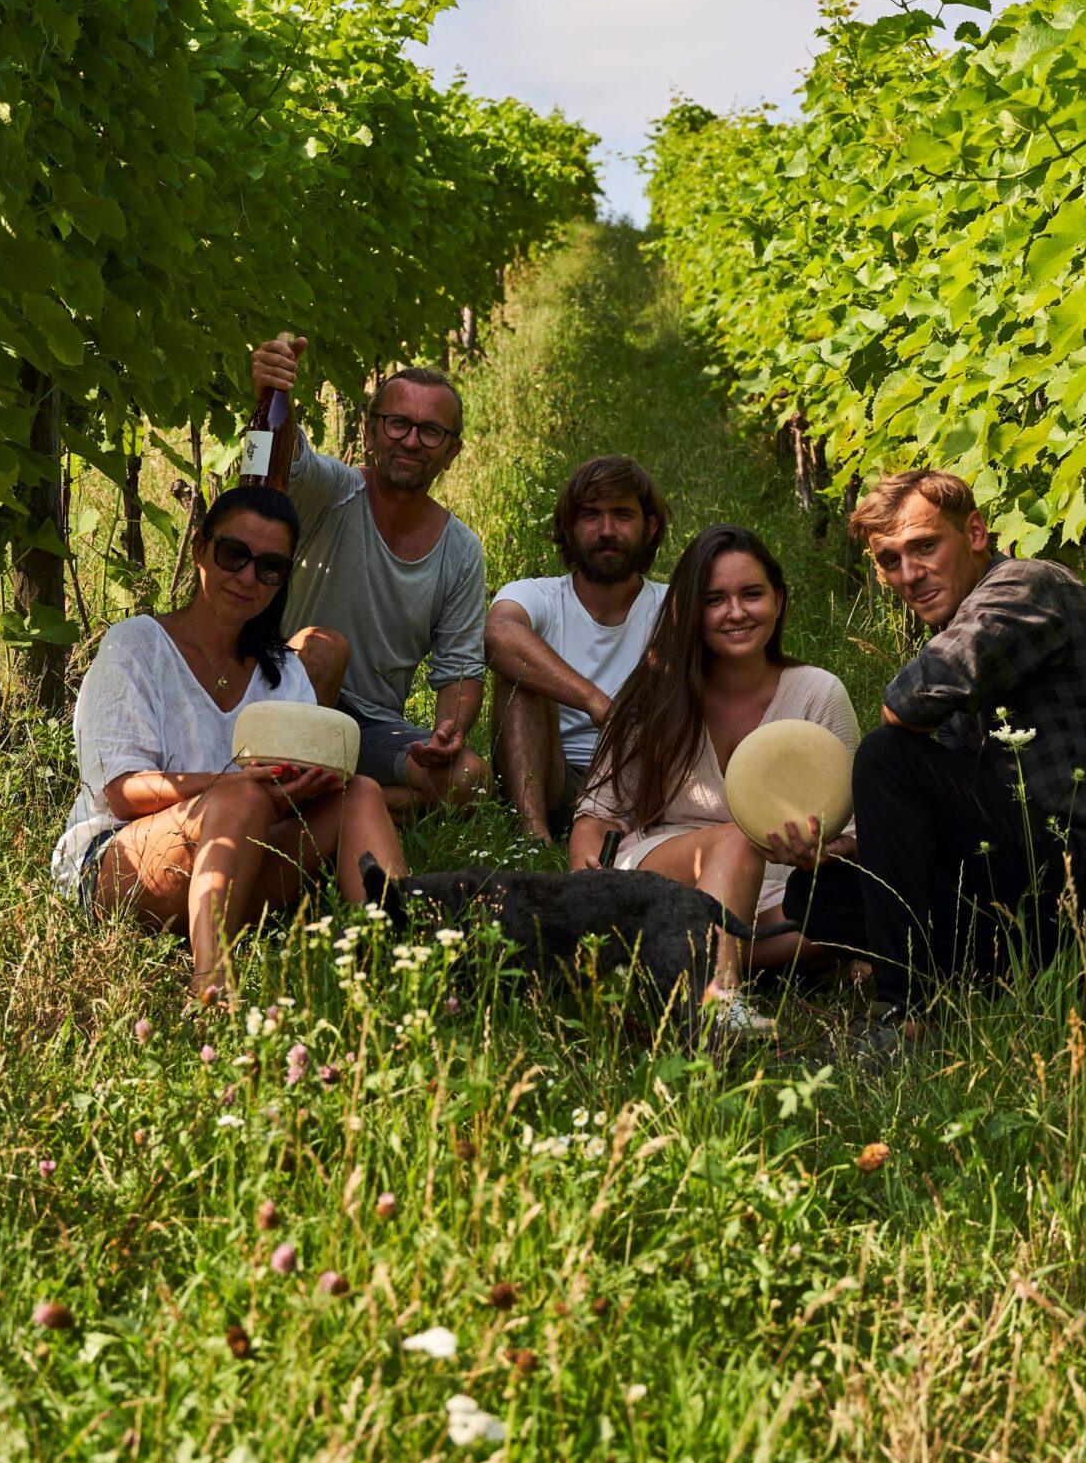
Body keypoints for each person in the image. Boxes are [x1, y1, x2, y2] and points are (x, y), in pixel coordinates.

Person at [779, 468, 1086, 1009]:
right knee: (821, 894)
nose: (909, 574)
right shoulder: (968, 630)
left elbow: (905, 703)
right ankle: (997, 982)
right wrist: (867, 846)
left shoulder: (1027, 585)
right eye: (890, 560)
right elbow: (950, 798)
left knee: (886, 755)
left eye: (924, 546)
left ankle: (901, 1010)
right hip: (1039, 882)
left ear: (977, 533)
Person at [50, 482, 405, 1000]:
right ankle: (211, 984)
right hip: (121, 862)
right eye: (233, 554)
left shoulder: (281, 670)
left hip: (239, 852)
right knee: (242, 794)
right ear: (200, 550)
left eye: (269, 567)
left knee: (363, 793)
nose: (247, 577)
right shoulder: (137, 645)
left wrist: (303, 784)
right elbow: (121, 793)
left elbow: (285, 790)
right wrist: (230, 784)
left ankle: (400, 961)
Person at [569, 523, 860, 1028]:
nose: (737, 613)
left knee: (852, 921)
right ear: (689, 611)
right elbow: (598, 812)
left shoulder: (818, 693)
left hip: (776, 890)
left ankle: (667, 956)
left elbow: (856, 834)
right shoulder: (655, 693)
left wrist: (820, 854)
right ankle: (716, 1004)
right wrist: (585, 869)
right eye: (715, 599)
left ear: (779, 601)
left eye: (752, 594)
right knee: (738, 840)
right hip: (666, 867)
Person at [250, 333, 490, 812]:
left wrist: (449, 731)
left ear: (452, 452)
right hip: (285, 697)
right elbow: (281, 462)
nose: (411, 441)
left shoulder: (460, 550)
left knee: (472, 780)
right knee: (322, 648)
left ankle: (324, 804)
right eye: (398, 423)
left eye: (431, 431)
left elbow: (460, 670)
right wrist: (273, 392)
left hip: (369, 728)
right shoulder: (329, 490)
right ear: (369, 430)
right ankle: (317, 797)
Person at [487, 455, 670, 844]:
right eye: (590, 515)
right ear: (569, 527)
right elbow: (497, 633)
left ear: (649, 527)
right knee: (519, 680)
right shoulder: (537, 595)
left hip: (641, 782)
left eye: (622, 515)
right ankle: (534, 838)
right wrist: (597, 703)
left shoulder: (672, 606)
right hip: (553, 778)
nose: (606, 530)